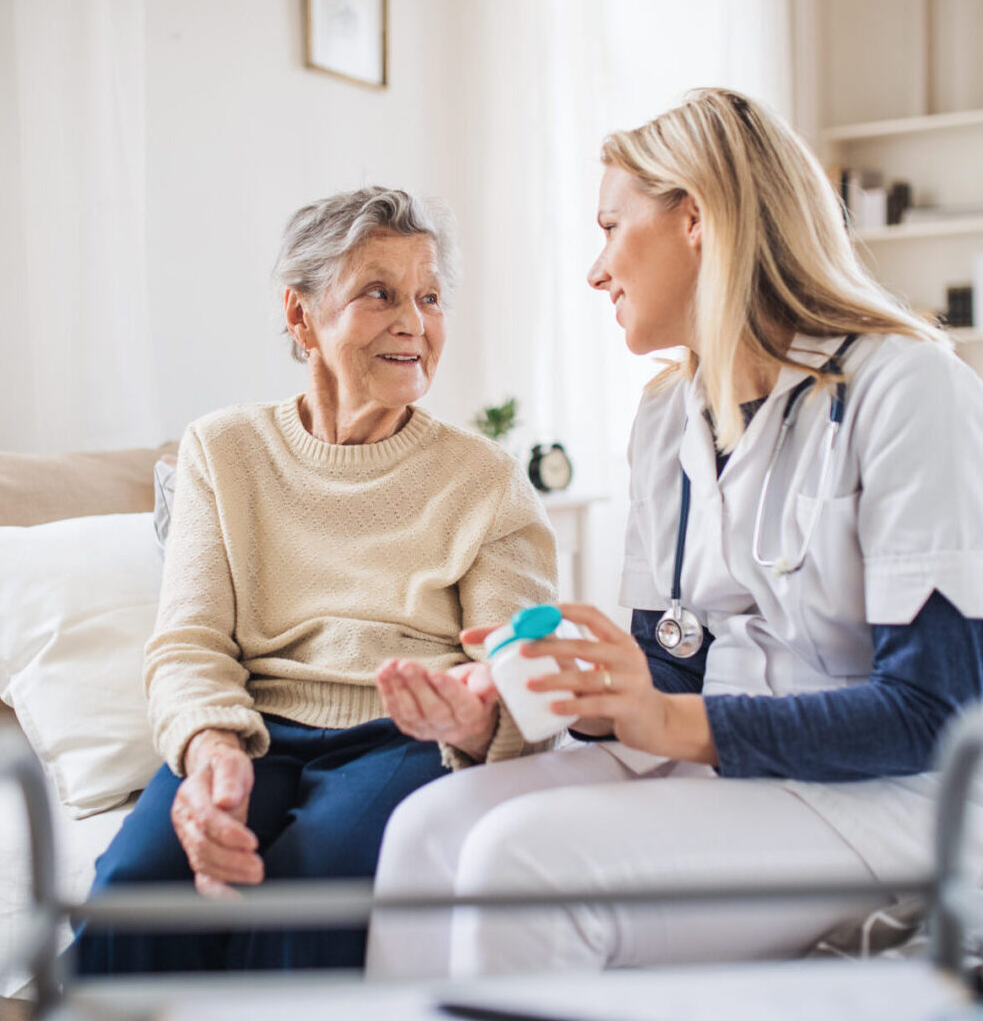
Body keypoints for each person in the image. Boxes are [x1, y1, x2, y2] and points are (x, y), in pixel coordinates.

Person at [366, 89, 983, 977]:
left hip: (886, 793)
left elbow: (936, 714)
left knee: (525, 865)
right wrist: (521, 693)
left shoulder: (908, 389)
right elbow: (673, 661)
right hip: (730, 760)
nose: (596, 269)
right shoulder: (667, 418)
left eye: (611, 226)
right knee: (428, 828)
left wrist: (666, 716)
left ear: (696, 217)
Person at [72, 186, 557, 974]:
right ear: (300, 318)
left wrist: (475, 720)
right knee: (136, 887)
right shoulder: (223, 449)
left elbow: (524, 680)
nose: (414, 321)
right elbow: (188, 641)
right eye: (379, 293)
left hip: (404, 738)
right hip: (254, 727)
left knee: (311, 888)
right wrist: (208, 750)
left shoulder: (487, 480)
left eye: (429, 297)